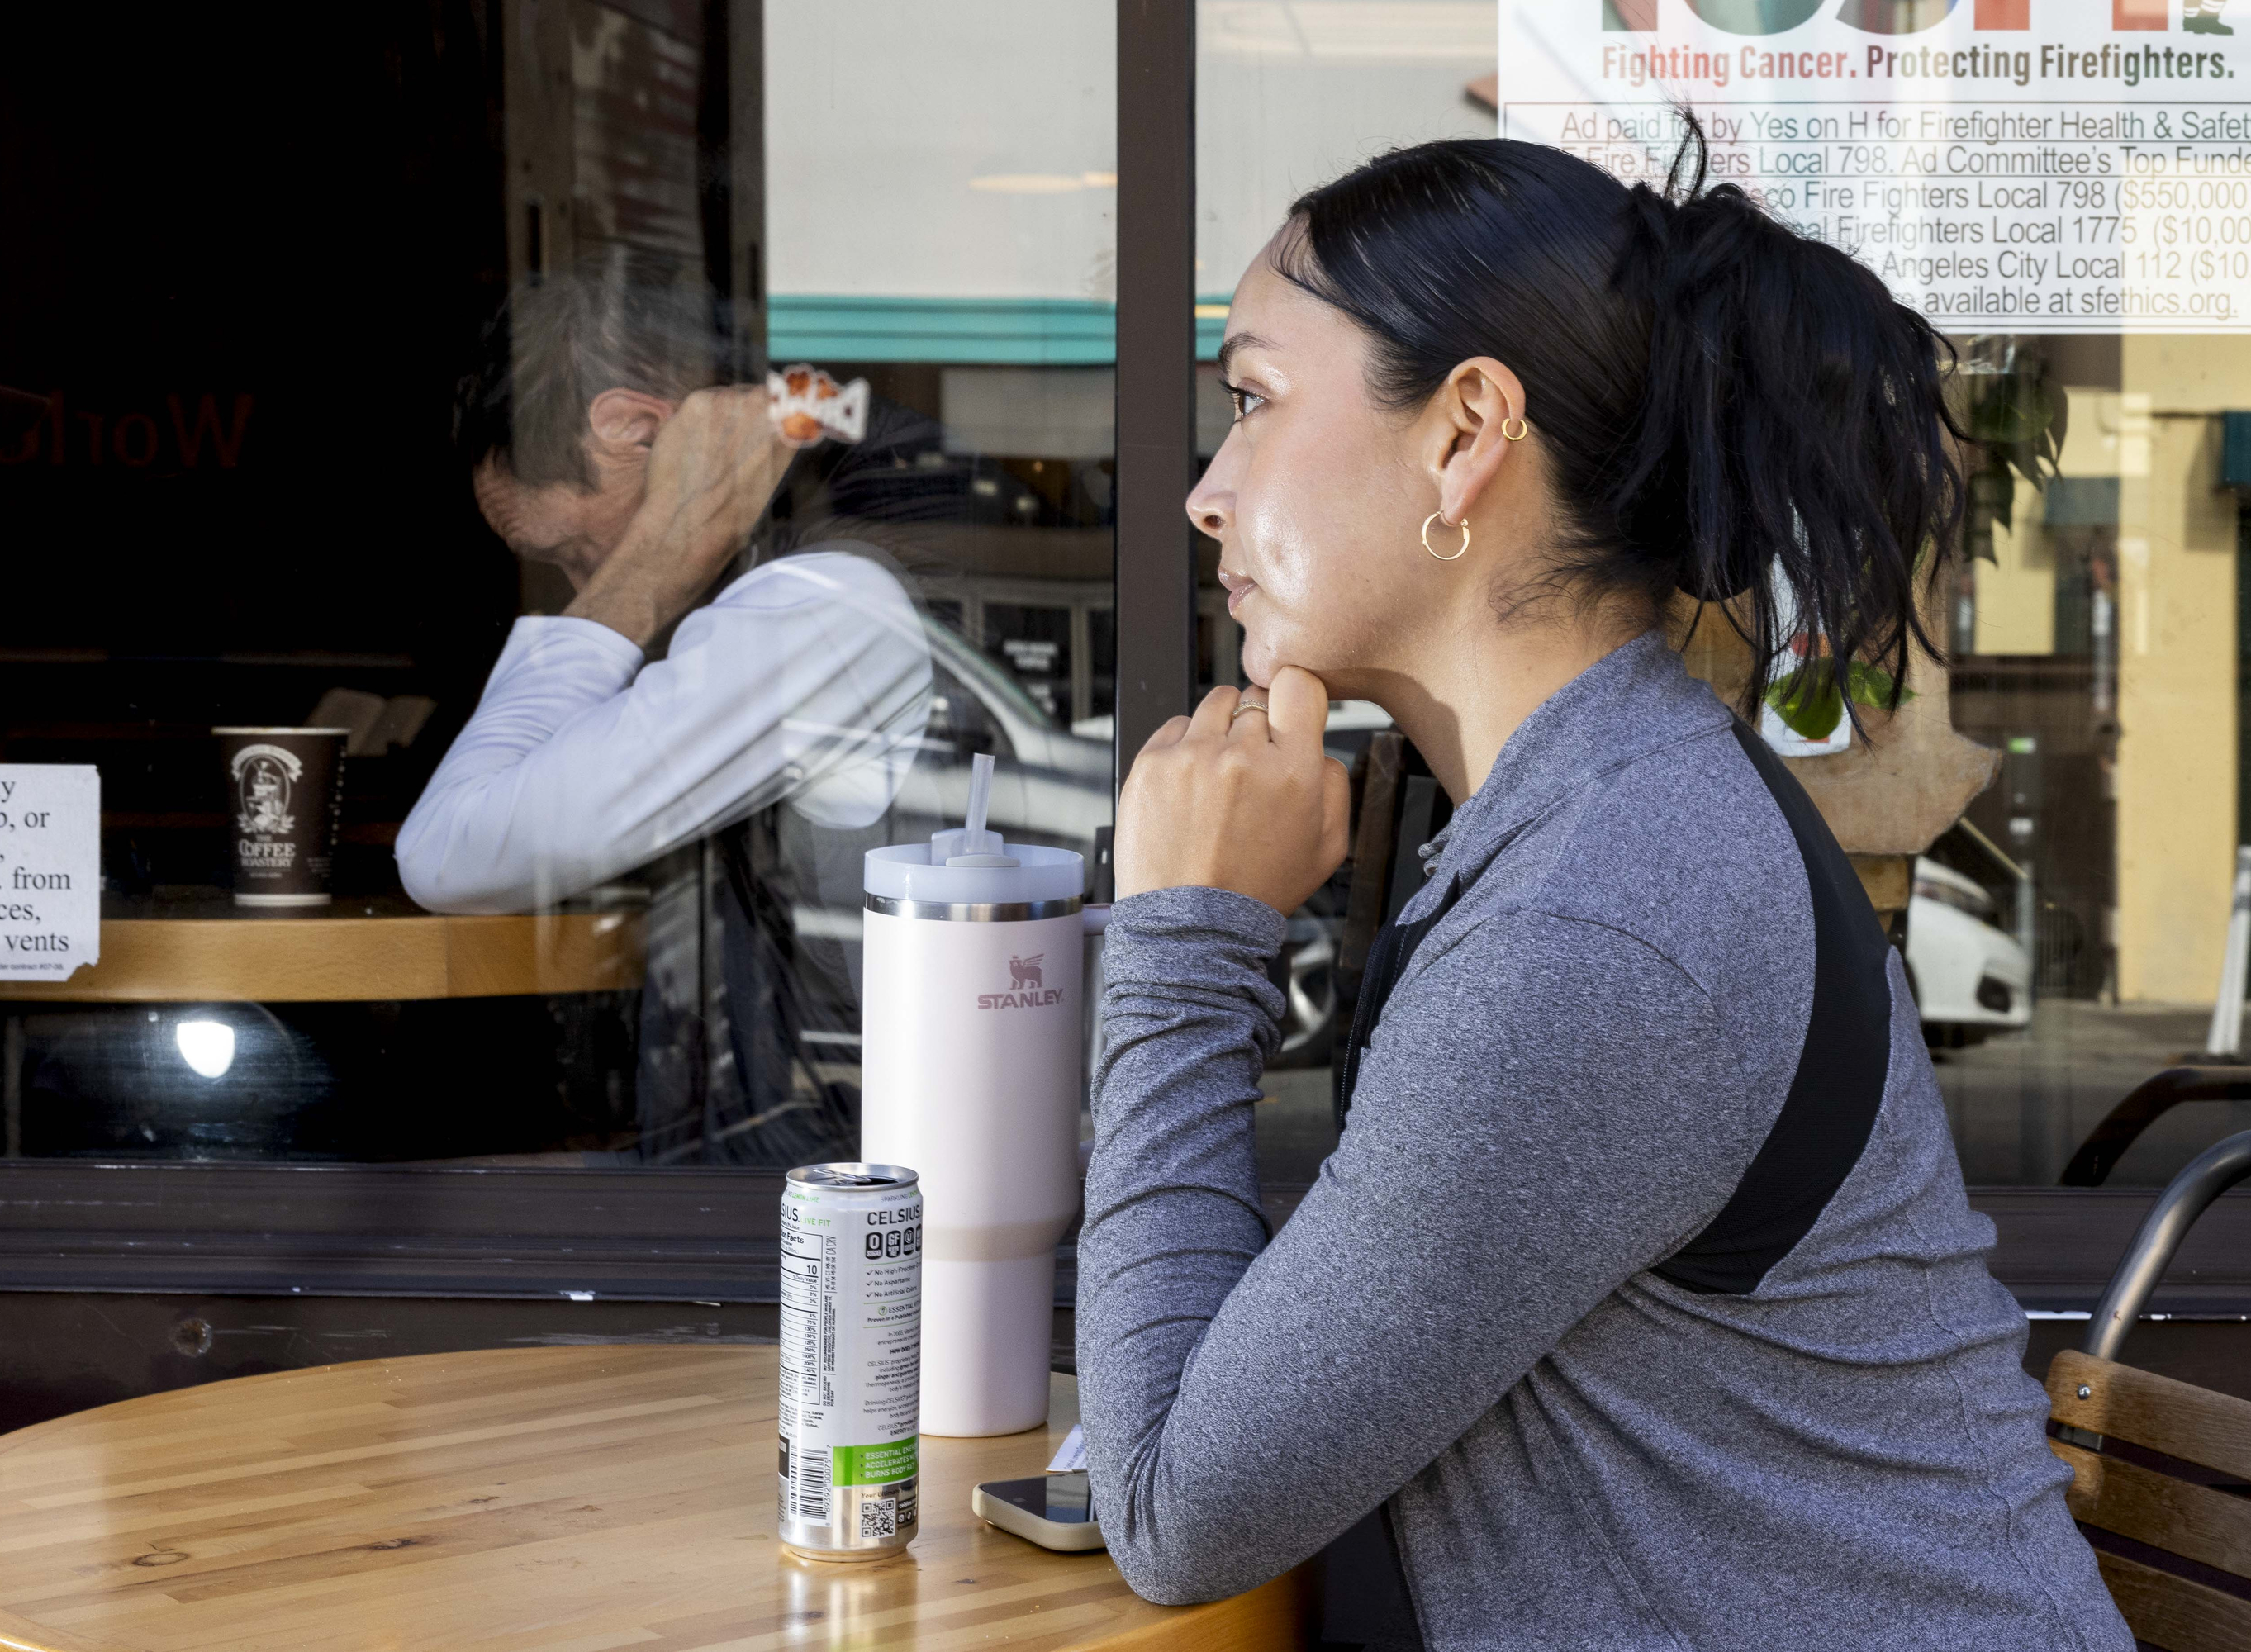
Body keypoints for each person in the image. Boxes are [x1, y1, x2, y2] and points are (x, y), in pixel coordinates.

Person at [1076, 135, 2133, 1650]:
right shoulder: (1599, 818)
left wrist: (1186, 937)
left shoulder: (1600, 921)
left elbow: (1181, 1515)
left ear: (1465, 435)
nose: (1205, 492)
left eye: (1252, 402)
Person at [397, 249, 933, 1162]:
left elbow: (450, 848)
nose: (576, 587)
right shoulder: (805, 567)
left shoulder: (822, 604)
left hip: (847, 1208)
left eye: (570, 551)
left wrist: (644, 570)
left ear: (635, 430)